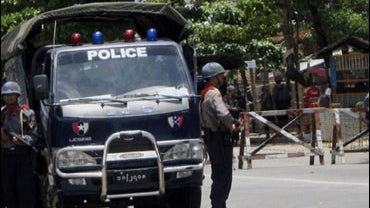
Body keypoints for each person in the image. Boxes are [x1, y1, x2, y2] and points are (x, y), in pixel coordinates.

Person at [200, 62, 241, 208]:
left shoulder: (205, 93)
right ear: (214, 77)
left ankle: (217, 203)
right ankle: (218, 204)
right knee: (223, 176)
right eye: (220, 75)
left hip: (212, 139)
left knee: (218, 174)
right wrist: (233, 123)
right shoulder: (213, 93)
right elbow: (223, 113)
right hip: (219, 138)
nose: (223, 78)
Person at [1, 81, 38, 208]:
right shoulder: (2, 114)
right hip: (6, 157)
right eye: (6, 95)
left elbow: (34, 135)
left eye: (12, 94)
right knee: (8, 192)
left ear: (17, 96)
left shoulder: (27, 114)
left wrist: (21, 139)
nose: (9, 97)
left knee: (25, 191)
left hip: (22, 156)